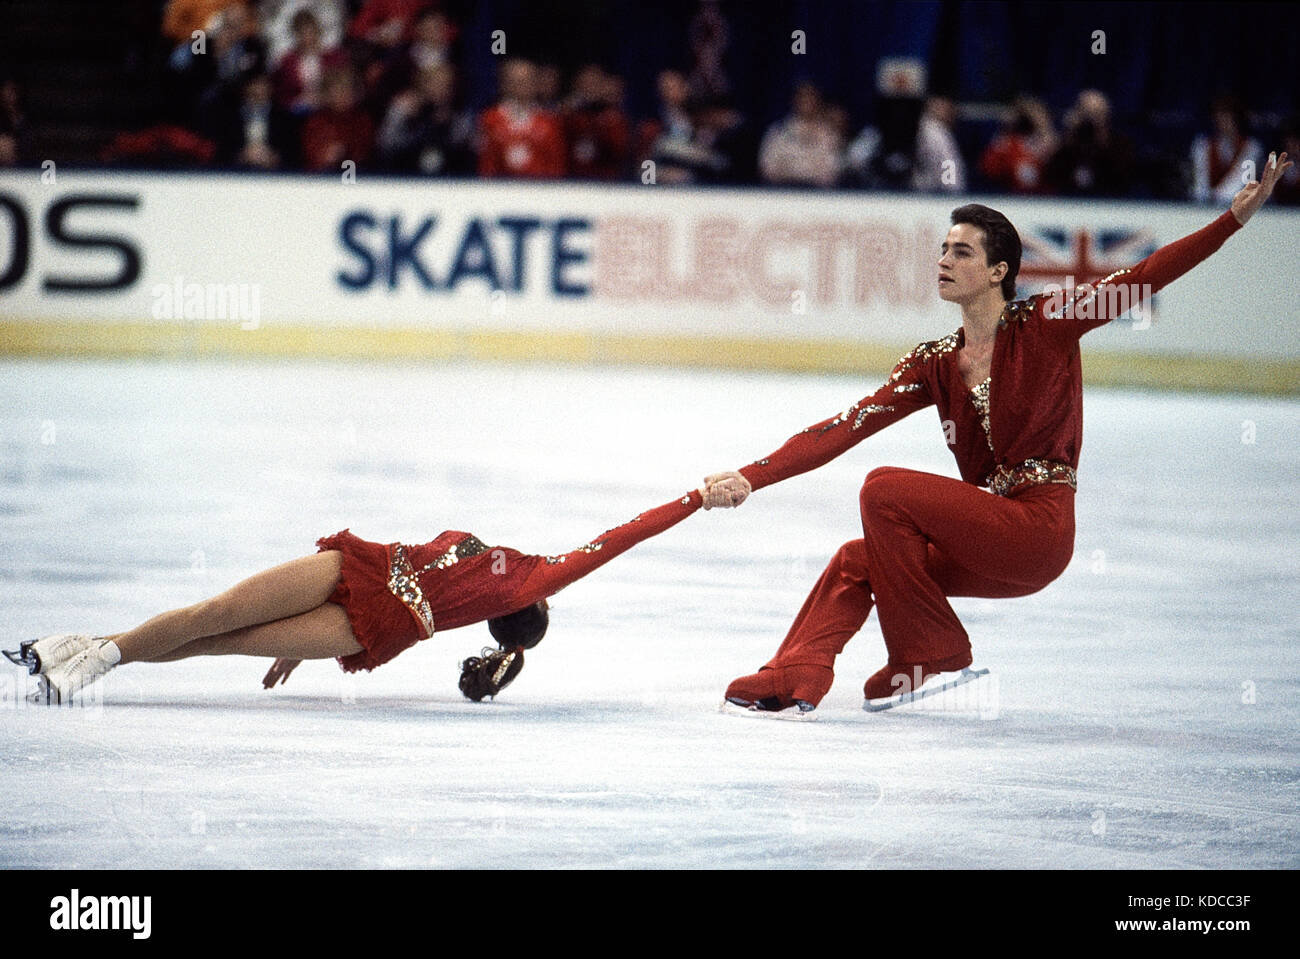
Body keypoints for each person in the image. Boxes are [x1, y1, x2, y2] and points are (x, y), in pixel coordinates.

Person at [703, 151, 1291, 715]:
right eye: (943, 249)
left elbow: (1143, 277)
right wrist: (753, 477)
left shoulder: (1048, 323)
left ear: (997, 271)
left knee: (883, 489)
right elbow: (843, 428)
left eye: (961, 252)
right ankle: (796, 671)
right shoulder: (934, 363)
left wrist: (1231, 220)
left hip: (1040, 530)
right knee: (858, 560)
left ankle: (927, 650)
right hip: (991, 534)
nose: (944, 260)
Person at [10, 484, 747, 705]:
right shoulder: (506, 559)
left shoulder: (533, 578)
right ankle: (89, 646)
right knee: (222, 613)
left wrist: (696, 498)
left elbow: (623, 535)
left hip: (384, 618)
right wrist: (295, 645)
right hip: (366, 565)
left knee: (223, 634)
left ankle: (97, 654)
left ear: (528, 609)